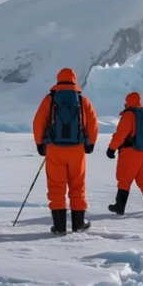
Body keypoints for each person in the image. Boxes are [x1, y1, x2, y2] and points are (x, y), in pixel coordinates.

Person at [32, 67, 99, 234]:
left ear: (58, 79)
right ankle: (78, 224)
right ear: (74, 80)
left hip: (55, 149)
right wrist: (91, 143)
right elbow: (93, 123)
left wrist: (40, 143)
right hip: (77, 150)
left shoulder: (50, 99)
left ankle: (60, 226)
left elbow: (38, 122)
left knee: (56, 187)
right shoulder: (82, 100)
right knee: (78, 185)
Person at [106, 92, 143, 216]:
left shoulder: (129, 114)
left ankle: (119, 207)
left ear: (128, 101)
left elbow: (121, 134)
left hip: (131, 153)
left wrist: (111, 148)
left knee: (124, 179)